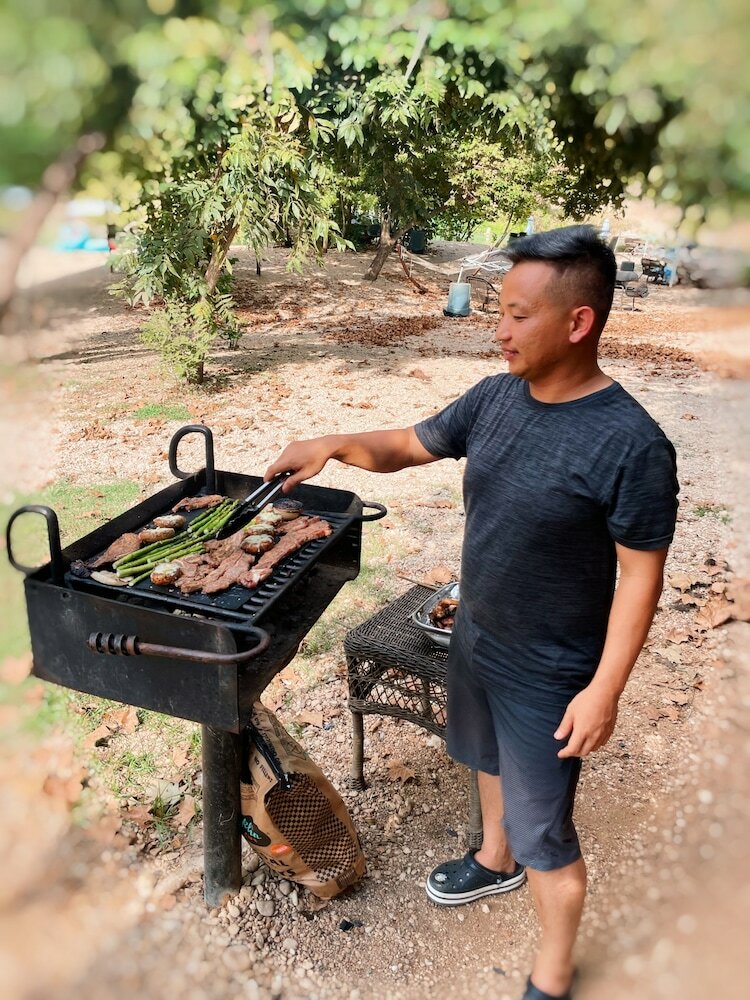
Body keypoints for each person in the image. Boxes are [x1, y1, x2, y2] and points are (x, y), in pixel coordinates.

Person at [265, 225, 679, 1000]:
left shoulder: (632, 445)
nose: (500, 328)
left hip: (550, 668)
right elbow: (409, 445)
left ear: (578, 322)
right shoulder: (496, 399)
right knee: (483, 759)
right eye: (500, 309)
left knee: (546, 832)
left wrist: (605, 689)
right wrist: (333, 442)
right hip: (476, 631)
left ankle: (552, 974)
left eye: (519, 314)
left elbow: (639, 578)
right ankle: (494, 859)